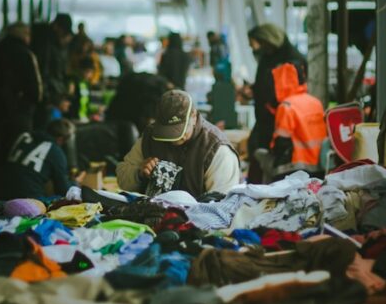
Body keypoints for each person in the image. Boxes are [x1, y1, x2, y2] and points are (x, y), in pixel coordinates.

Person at [116, 89, 240, 197]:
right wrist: (139, 174)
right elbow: (122, 180)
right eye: (166, 131)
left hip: (198, 221)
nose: (173, 139)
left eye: (177, 130)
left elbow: (223, 207)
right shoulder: (150, 137)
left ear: (193, 116)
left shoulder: (217, 150)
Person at [0, 21, 43, 197]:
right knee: (18, 153)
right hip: (20, 111)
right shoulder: (24, 53)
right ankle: (12, 193)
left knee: (0, 154)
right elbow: (34, 87)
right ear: (23, 34)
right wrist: (33, 102)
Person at [247, 22, 307, 180]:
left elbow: (283, 92)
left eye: (254, 43)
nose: (253, 48)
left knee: (275, 170)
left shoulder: (292, 61)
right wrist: (253, 90)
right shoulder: (268, 57)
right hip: (265, 121)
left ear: (267, 40)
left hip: (280, 123)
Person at [255, 63, 327, 181]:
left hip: (294, 169)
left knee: (259, 155)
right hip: (319, 168)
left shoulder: (286, 106)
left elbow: (281, 144)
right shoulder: (316, 102)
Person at [0, 118, 78, 200]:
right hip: (28, 199)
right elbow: (63, 190)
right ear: (61, 139)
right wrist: (74, 183)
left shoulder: (23, 136)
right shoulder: (56, 151)